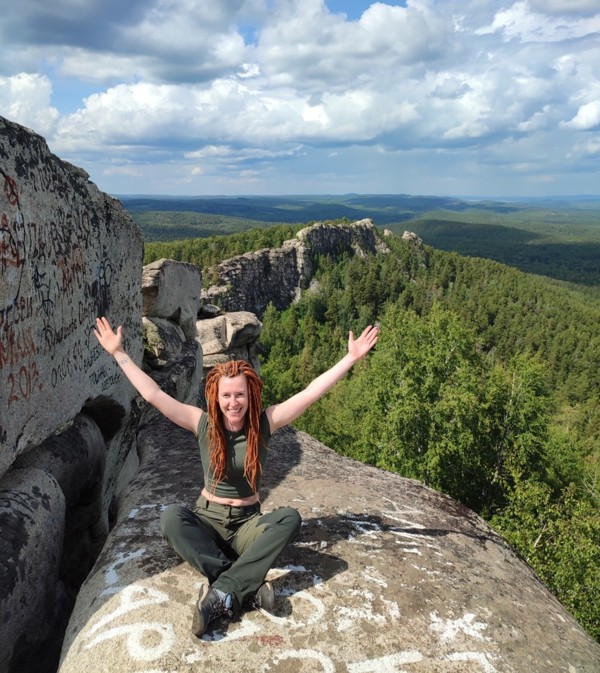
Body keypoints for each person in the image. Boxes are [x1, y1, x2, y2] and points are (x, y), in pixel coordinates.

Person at [93, 316, 379, 636]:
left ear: (250, 394)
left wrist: (350, 359)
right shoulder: (202, 423)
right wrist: (119, 353)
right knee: (172, 518)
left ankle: (222, 593)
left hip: (247, 525)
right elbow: (154, 395)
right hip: (209, 520)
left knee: (288, 519)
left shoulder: (264, 423)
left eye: (239, 395)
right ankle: (247, 589)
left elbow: (311, 393)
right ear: (215, 396)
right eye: (227, 396)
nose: (233, 403)